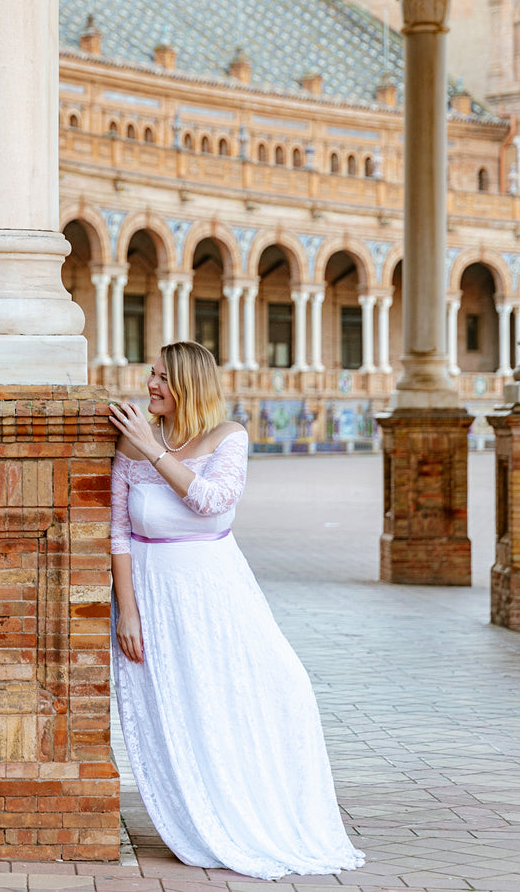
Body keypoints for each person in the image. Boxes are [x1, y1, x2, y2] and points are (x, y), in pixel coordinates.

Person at [105, 341, 364, 881]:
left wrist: (154, 450)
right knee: (176, 702)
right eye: (150, 374)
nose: (150, 384)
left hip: (214, 592)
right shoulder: (129, 449)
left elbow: (211, 501)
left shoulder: (228, 438)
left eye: (161, 377)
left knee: (261, 690)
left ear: (189, 385)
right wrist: (127, 611)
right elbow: (119, 534)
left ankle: (251, 807)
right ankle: (195, 817)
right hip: (151, 592)